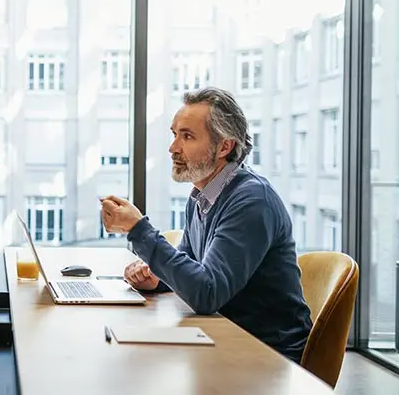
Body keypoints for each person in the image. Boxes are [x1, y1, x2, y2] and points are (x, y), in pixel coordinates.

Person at [100, 87, 312, 363]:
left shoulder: (251, 201)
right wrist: (158, 279)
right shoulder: (202, 196)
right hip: (224, 338)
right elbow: (192, 264)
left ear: (225, 146)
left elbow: (207, 293)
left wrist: (138, 229)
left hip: (266, 357)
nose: (173, 147)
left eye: (187, 136)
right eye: (174, 134)